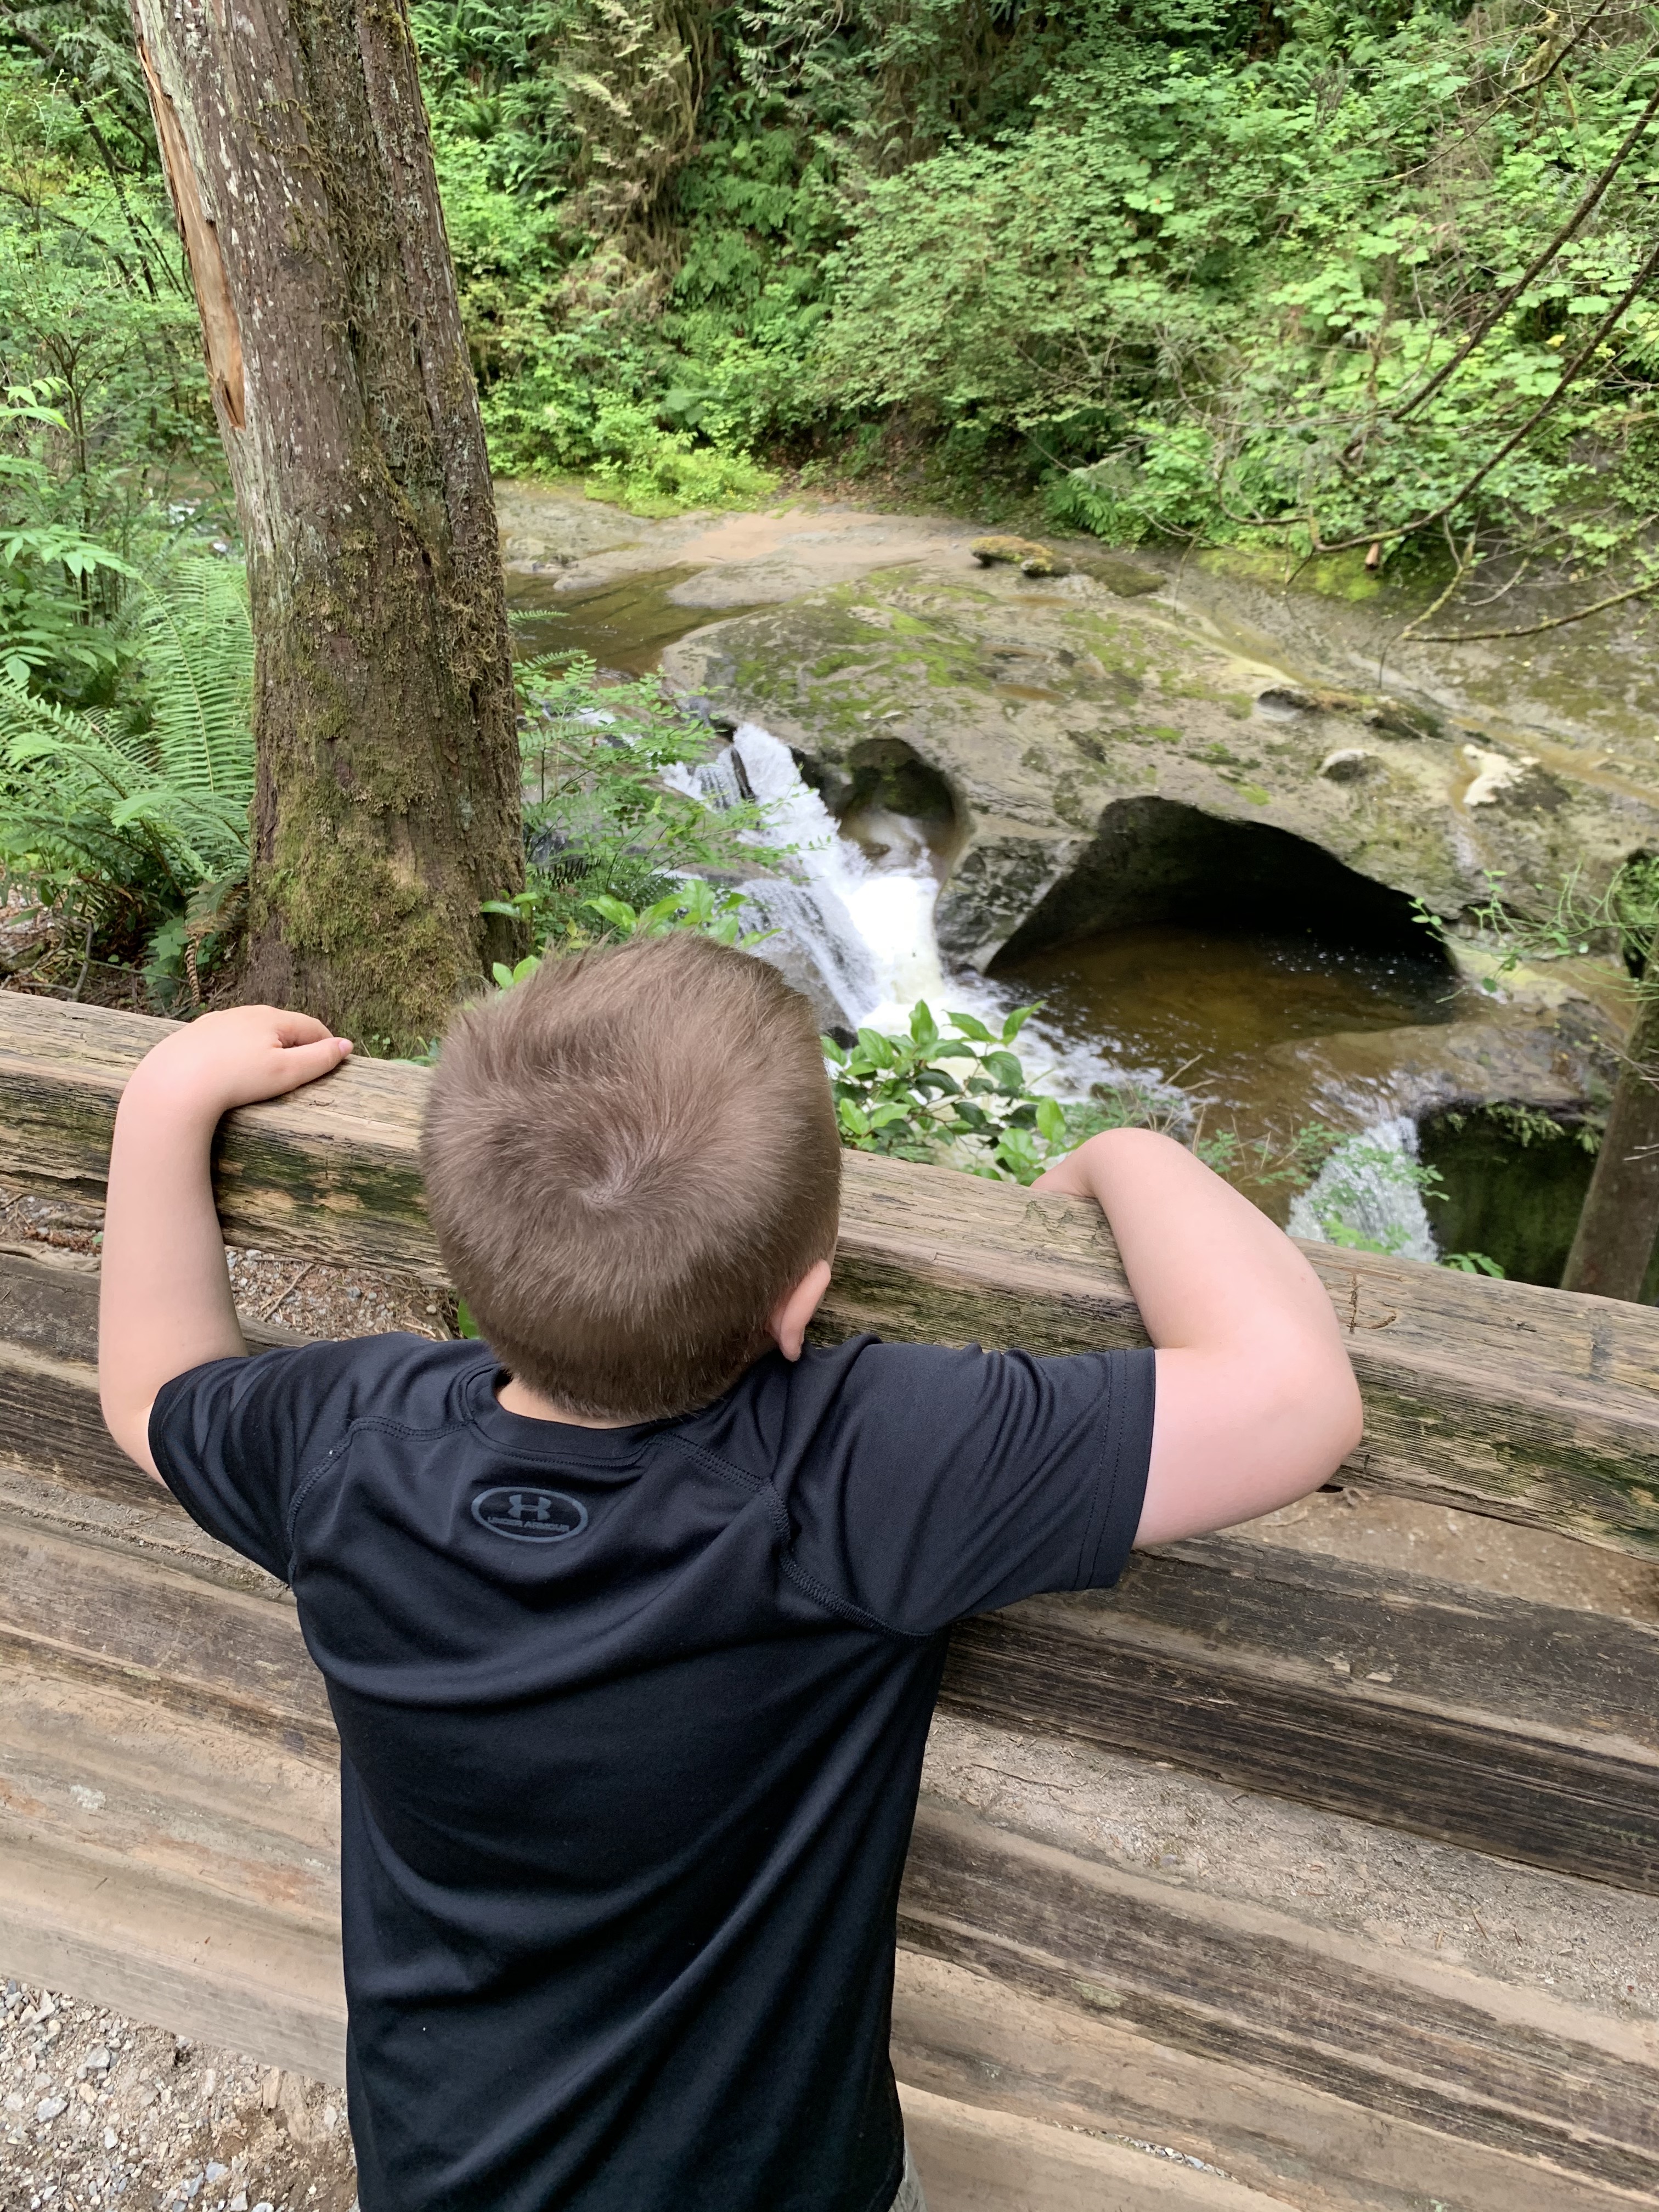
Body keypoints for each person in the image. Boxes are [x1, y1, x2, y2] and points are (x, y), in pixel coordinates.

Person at [98, 933, 1362, 2212]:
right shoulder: (856, 1467)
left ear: (467, 1261)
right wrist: (1128, 1153)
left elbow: (152, 1393)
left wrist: (162, 1104)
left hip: (445, 2171)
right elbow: (1294, 1401)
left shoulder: (346, 1442)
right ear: (803, 1304)